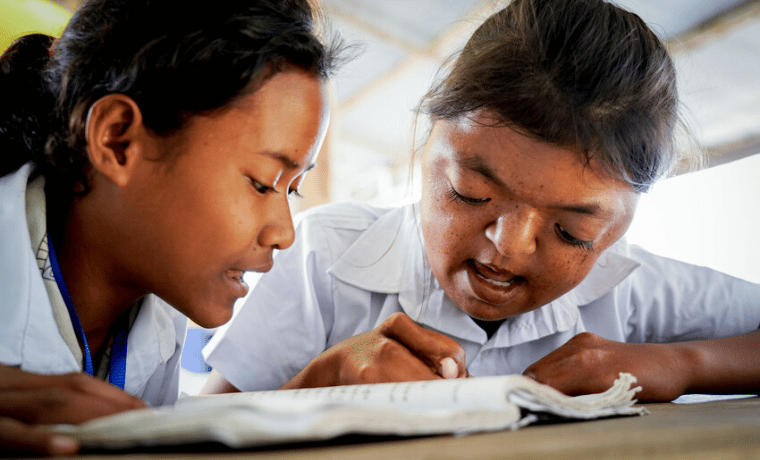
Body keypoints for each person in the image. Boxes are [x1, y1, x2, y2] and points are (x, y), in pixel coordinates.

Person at [202, 0, 760, 403]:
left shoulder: (631, 294)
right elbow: (206, 427)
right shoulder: (324, 259)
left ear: (617, 229)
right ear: (426, 147)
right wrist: (315, 385)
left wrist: (684, 363)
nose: (507, 250)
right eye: (470, 195)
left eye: (571, 232)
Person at [0, 0, 340, 455]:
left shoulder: (157, 310)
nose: (284, 233)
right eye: (262, 184)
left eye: (292, 190)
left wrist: (311, 386)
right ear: (118, 140)